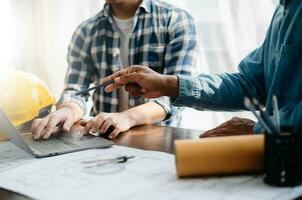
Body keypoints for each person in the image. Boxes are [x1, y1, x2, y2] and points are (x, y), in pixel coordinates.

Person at [102, 0, 302, 137]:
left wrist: (261, 131)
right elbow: (251, 83)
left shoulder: (174, 19)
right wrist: (170, 85)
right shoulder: (283, 10)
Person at [31, 0, 197, 139]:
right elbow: (76, 91)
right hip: (102, 140)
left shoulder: (175, 20)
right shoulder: (86, 31)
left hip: (159, 139)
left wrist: (126, 118)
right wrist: (67, 110)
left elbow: (177, 94)